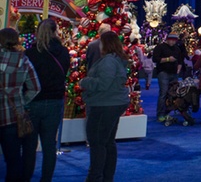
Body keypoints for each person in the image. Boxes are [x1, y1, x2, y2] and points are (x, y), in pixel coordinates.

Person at [23, 19, 70, 182]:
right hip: (55, 101)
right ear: (55, 31)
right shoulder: (63, 52)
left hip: (33, 102)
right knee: (49, 145)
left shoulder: (30, 53)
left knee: (29, 146)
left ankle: (26, 176)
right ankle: (46, 179)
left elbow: (24, 79)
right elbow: (64, 73)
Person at [81, 31, 130, 182]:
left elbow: (103, 83)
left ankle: (95, 177)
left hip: (104, 104)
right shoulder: (116, 59)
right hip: (112, 103)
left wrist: (84, 82)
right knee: (107, 142)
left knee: (97, 142)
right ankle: (106, 177)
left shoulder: (108, 61)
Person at [0, 27, 41, 182]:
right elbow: (35, 88)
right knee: (13, 160)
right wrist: (21, 100)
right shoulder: (23, 60)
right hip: (14, 115)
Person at [151, 33, 185, 122]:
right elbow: (155, 59)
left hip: (174, 73)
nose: (173, 42)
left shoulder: (177, 49)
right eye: (171, 40)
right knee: (163, 93)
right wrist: (167, 59)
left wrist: (178, 71)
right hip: (163, 72)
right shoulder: (160, 47)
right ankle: (160, 114)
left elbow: (180, 61)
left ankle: (168, 112)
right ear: (168, 39)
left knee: (172, 93)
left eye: (174, 41)